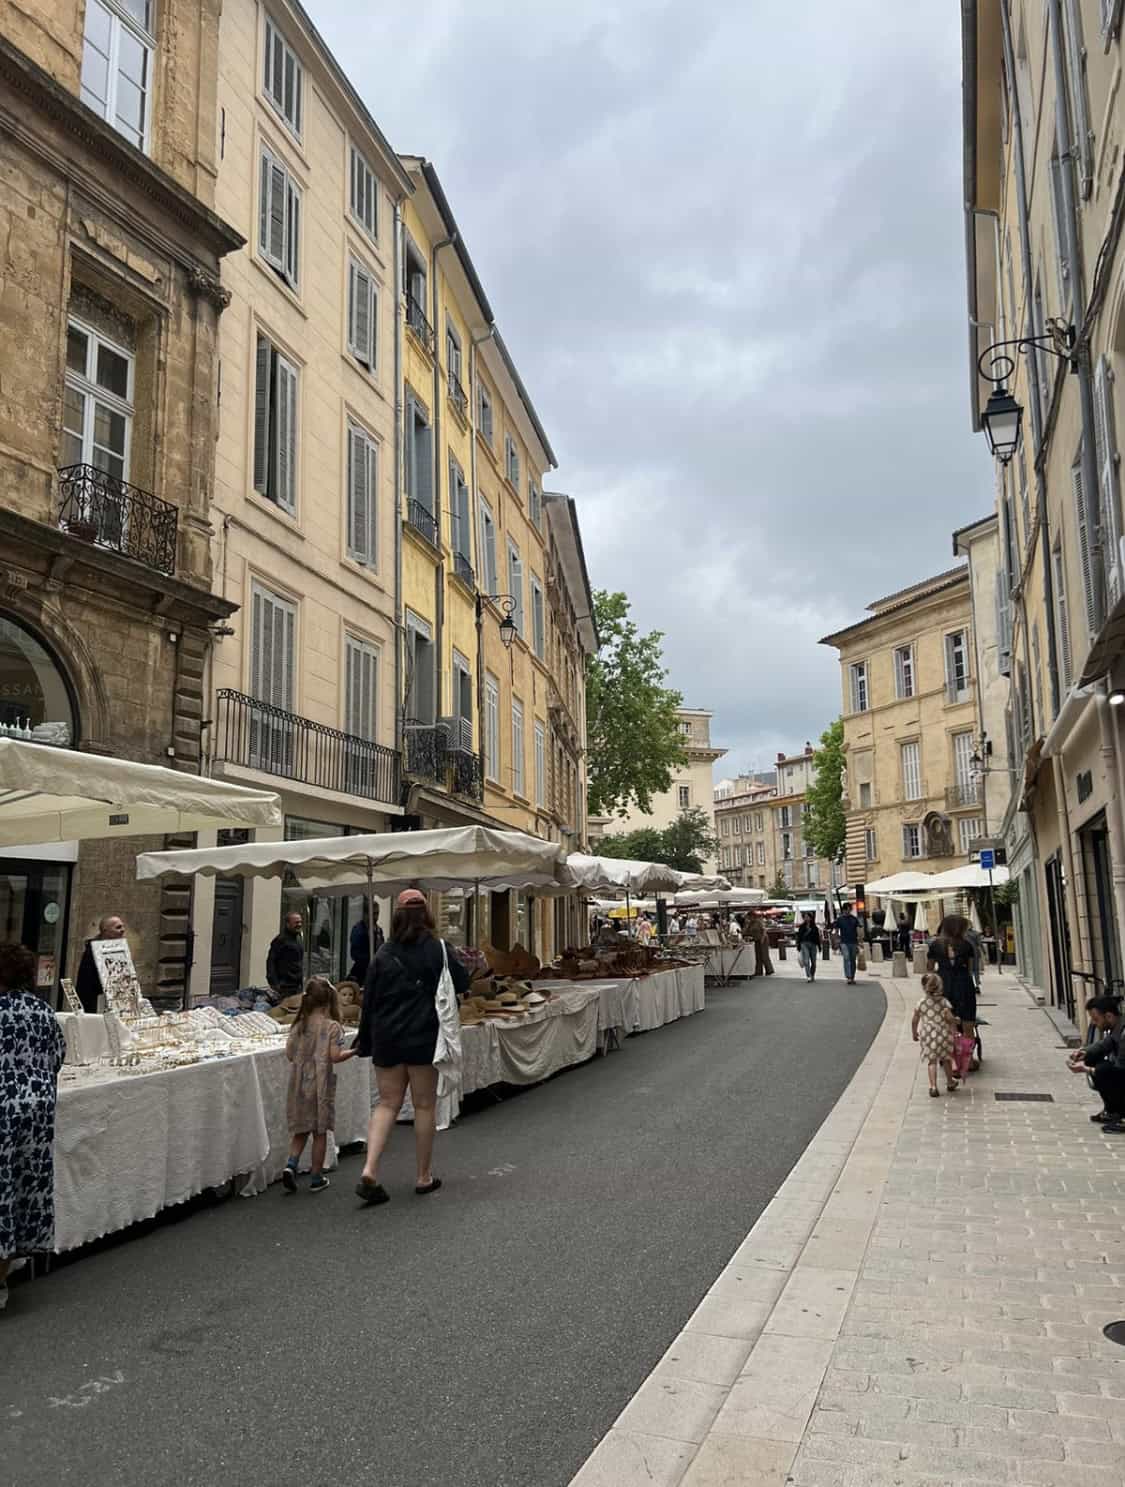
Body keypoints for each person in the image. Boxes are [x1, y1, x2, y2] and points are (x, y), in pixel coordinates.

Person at [354, 890, 471, 1205]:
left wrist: (365, 1041)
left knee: (386, 1104)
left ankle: (370, 1169)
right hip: (424, 1037)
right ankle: (423, 1176)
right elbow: (462, 984)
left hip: (387, 1038)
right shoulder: (440, 950)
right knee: (423, 1106)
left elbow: (369, 1002)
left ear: (397, 917)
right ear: (427, 916)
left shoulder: (382, 954)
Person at [0, 943, 66, 1311]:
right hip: (37, 1114)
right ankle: (4, 1277)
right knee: (24, 1191)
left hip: (3, 1110)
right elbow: (58, 1056)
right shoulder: (43, 1011)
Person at [282, 976, 356, 1193]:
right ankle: (316, 1177)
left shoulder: (299, 1026)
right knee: (320, 1132)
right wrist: (354, 1051)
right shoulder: (333, 1027)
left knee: (300, 1129)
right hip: (320, 1085)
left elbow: (289, 1053)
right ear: (329, 1002)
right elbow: (335, 1056)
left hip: (299, 1083)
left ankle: (291, 1164)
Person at [1068, 995, 1125, 1128]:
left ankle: (1122, 1114)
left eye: (1095, 1019)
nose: (1093, 1023)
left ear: (1109, 1016)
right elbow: (1104, 1044)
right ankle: (1112, 1112)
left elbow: (1120, 1070)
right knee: (1093, 1059)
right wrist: (1085, 1053)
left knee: (1104, 1070)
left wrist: (1088, 1069)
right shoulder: (1118, 1028)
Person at [927, 915, 978, 1053]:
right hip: (964, 984)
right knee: (968, 1024)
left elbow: (929, 970)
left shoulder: (934, 945)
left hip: (943, 985)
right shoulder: (967, 945)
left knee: (947, 1024)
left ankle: (952, 1060)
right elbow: (970, 969)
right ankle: (968, 1060)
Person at [912, 970, 959, 1098]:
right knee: (946, 1059)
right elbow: (949, 1018)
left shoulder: (921, 1003)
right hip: (943, 1034)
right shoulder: (944, 1002)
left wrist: (914, 1033)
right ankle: (950, 1082)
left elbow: (915, 1019)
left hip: (927, 1035)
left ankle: (933, 1086)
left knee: (932, 1061)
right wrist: (955, 1024)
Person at [74, 914, 127, 1013]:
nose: (123, 930)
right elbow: (87, 984)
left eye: (123, 926)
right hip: (96, 1005)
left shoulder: (119, 949)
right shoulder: (93, 951)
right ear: (106, 931)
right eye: (118, 927)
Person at [266, 911, 304, 1006]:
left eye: (300, 922)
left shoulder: (298, 939)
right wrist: (275, 983)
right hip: (284, 986)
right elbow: (271, 961)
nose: (299, 925)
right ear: (287, 924)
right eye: (296, 922)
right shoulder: (280, 940)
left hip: (296, 985)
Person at [347, 904, 384, 985]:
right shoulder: (358, 930)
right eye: (373, 914)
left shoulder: (378, 930)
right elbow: (355, 954)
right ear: (365, 914)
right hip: (361, 973)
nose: (376, 917)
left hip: (375, 971)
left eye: (377, 913)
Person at [834, 902, 860, 984]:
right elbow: (837, 930)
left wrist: (860, 941)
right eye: (847, 910)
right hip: (844, 941)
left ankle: (852, 976)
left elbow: (859, 929)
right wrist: (837, 940)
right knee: (846, 958)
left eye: (849, 909)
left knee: (853, 959)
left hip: (854, 941)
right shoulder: (840, 919)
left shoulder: (854, 919)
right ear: (844, 910)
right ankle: (848, 976)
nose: (848, 911)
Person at [746, 912, 774, 976]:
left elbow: (764, 930)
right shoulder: (750, 923)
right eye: (748, 917)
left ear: (753, 916)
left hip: (763, 940)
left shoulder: (759, 921)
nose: (748, 918)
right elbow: (747, 931)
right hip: (756, 940)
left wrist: (762, 939)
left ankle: (769, 970)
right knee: (758, 956)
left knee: (764, 955)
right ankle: (759, 971)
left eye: (749, 917)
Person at [796, 911, 821, 982]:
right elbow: (799, 937)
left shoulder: (814, 927)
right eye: (805, 917)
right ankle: (808, 976)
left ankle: (812, 974)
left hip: (813, 944)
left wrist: (819, 947)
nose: (806, 918)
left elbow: (817, 937)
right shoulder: (801, 927)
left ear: (811, 918)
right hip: (804, 944)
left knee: (814, 962)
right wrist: (798, 946)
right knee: (806, 961)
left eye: (807, 917)